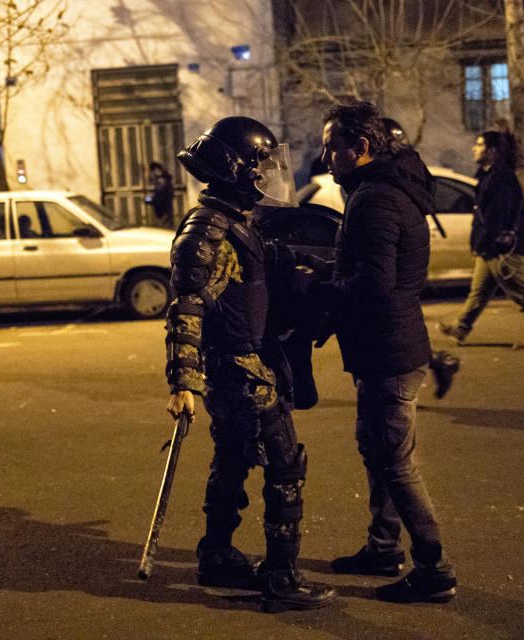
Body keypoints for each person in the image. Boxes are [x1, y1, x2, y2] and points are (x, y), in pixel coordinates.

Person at [165, 116, 336, 612]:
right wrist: (183, 382)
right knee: (284, 464)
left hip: (242, 364)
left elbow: (263, 259)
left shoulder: (235, 223)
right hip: (239, 369)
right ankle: (281, 576)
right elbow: (187, 308)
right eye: (260, 165)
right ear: (235, 168)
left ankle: (217, 554)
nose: (266, 175)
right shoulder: (208, 233)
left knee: (235, 458)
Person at [320, 100, 457, 604]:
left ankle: (434, 568)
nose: (325, 155)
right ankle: (383, 547)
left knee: (396, 462)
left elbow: (375, 283)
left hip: (388, 351)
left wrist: (324, 289)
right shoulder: (383, 190)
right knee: (377, 450)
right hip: (387, 347)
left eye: (333, 145)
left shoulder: (375, 199)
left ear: (362, 148)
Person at [438, 131, 524, 350]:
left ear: (492, 151)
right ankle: (461, 329)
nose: (474, 149)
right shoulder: (489, 175)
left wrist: (483, 243)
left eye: (479, 145)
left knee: (522, 290)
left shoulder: (501, 179)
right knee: (479, 292)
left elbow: (495, 217)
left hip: (502, 248)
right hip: (489, 246)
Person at [381, 117, 461, 400]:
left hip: (399, 268)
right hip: (407, 265)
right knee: (404, 320)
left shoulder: (388, 185)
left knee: (397, 324)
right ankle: (438, 361)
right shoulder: (406, 173)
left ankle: (437, 361)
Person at [145, 162, 175, 227]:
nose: (151, 173)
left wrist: (149, 199)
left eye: (151, 171)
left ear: (156, 169)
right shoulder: (161, 179)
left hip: (162, 201)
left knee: (163, 215)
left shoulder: (162, 180)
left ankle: (165, 224)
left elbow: (158, 192)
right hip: (162, 200)